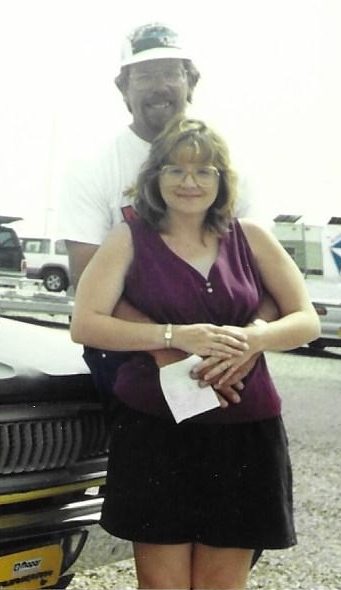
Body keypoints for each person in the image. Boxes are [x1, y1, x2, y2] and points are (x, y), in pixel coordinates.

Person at [69, 116, 320, 589]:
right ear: (155, 176)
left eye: (205, 171)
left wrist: (255, 339)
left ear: (222, 181)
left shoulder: (251, 237)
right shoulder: (129, 238)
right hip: (157, 431)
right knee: (162, 585)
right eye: (176, 170)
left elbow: (306, 318)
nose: (190, 182)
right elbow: (85, 324)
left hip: (245, 431)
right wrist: (174, 337)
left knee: (221, 584)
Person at [54, 22, 263, 402]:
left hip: (226, 363)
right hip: (132, 358)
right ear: (123, 88)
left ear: (192, 82)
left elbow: (265, 276)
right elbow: (86, 280)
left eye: (171, 73)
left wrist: (248, 348)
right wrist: (172, 353)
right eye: (145, 75)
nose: (158, 86)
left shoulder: (232, 170)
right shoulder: (92, 167)